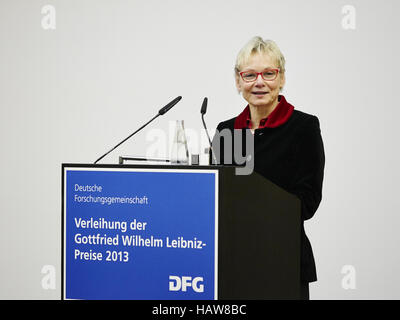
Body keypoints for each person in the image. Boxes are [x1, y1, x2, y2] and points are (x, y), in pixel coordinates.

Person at [211, 36, 325, 300]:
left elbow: (307, 201)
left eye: (269, 73)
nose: (259, 82)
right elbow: (218, 198)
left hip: (282, 259)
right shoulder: (226, 131)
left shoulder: (303, 128)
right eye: (249, 75)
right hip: (233, 262)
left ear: (282, 78)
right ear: (238, 81)